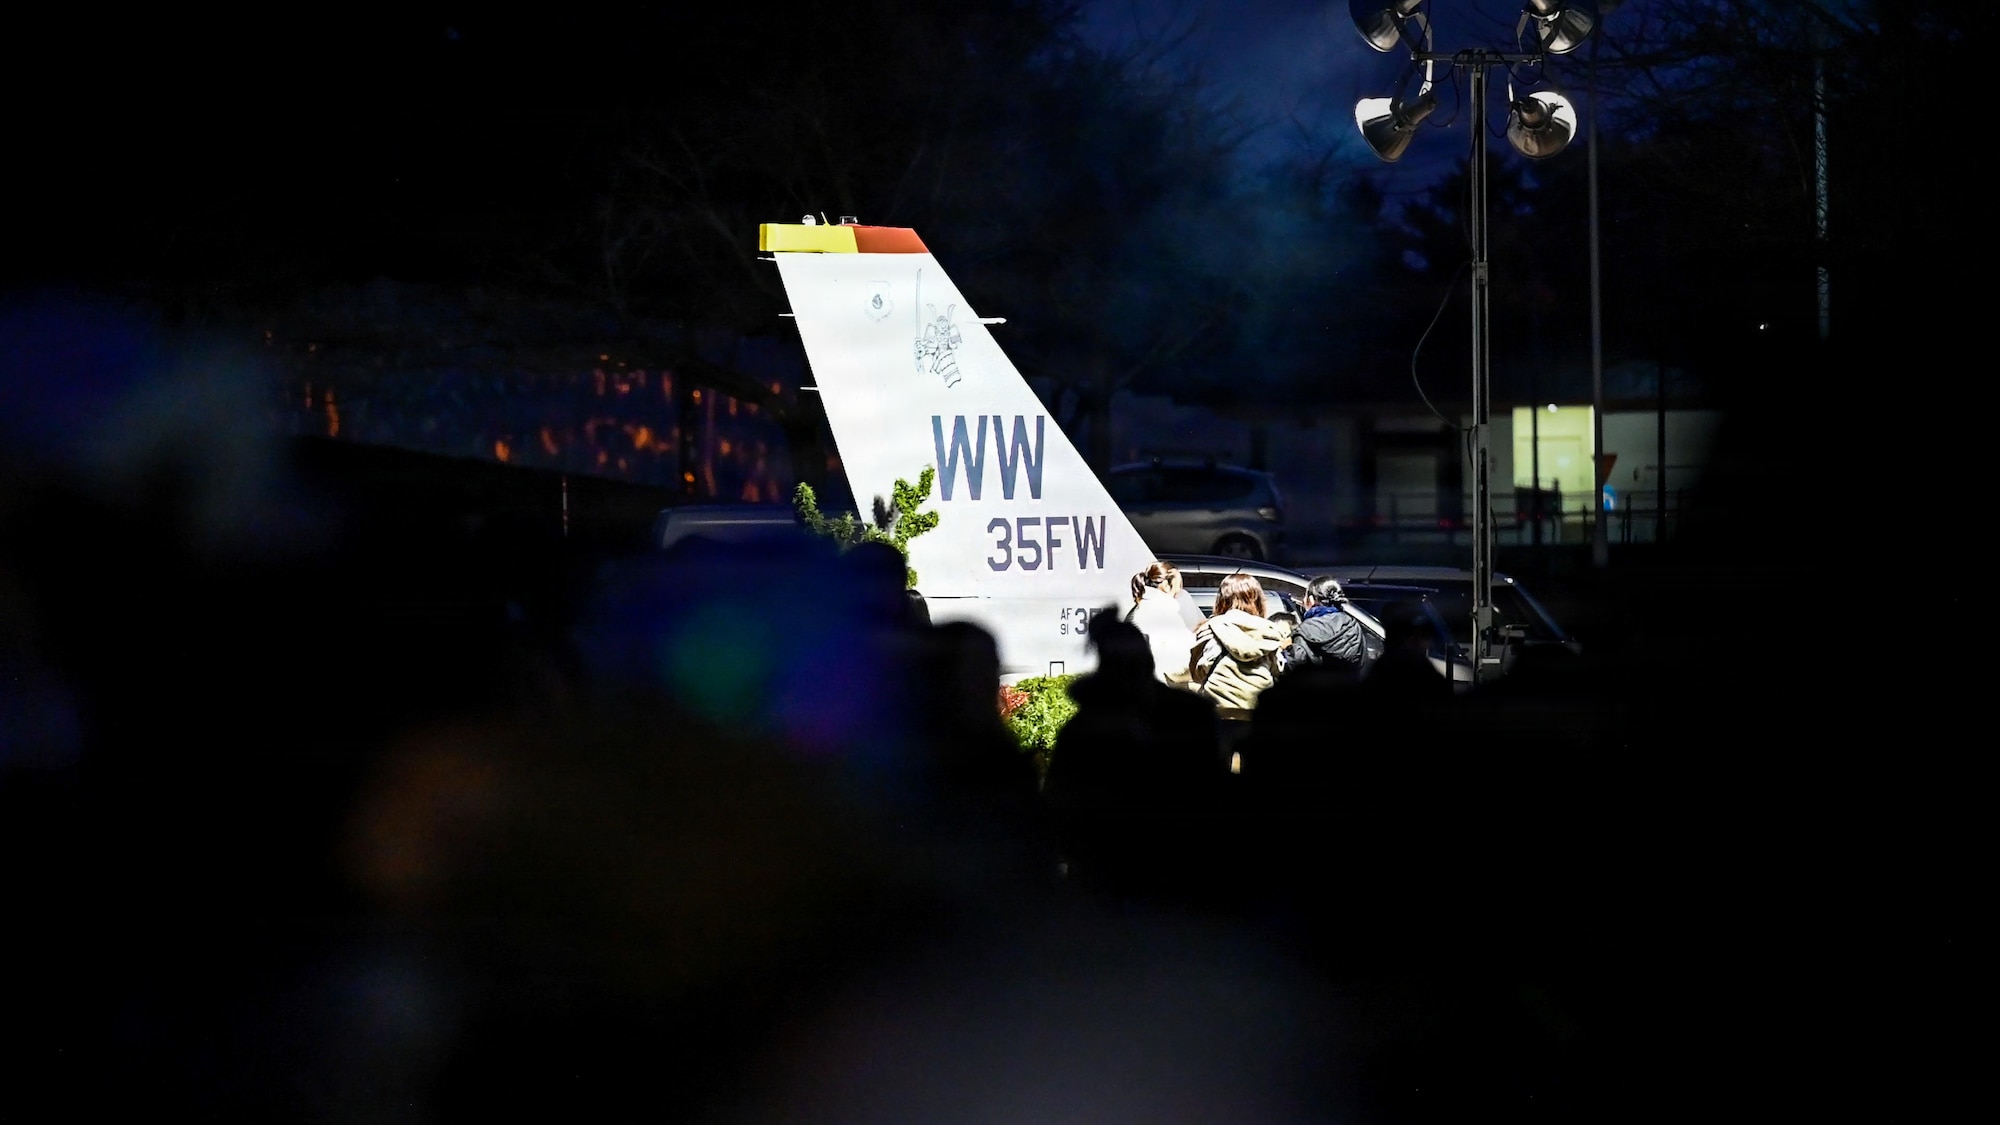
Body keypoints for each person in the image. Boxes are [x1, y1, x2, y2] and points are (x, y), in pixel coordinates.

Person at [1187, 572, 1290, 719]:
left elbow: (1197, 673)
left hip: (1218, 713)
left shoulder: (1210, 629)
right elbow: (1277, 670)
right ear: (1258, 600)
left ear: (1221, 600)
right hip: (1257, 712)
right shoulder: (1269, 631)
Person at [1284, 575, 1376, 685]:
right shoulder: (1352, 625)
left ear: (1311, 600)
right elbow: (1362, 665)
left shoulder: (1304, 631)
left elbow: (1293, 670)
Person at [1123, 560, 1195, 687]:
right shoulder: (1166, 616)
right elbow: (1177, 668)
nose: (1180, 593)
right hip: (1160, 695)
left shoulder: (1136, 611)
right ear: (1167, 586)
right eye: (1179, 587)